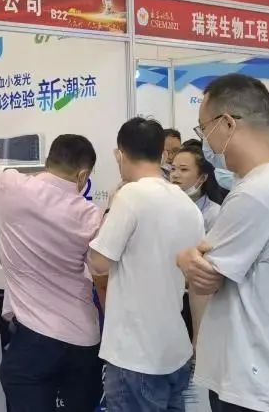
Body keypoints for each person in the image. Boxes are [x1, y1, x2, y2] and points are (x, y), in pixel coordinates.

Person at [178, 74, 269, 411]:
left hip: (255, 383)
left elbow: (205, 277)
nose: (205, 141)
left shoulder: (256, 193)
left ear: (227, 123)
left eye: (204, 128)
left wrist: (185, 257)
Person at [89, 117, 202, 412]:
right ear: (162, 153)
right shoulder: (187, 203)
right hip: (175, 349)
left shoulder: (130, 195)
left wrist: (108, 211)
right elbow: (197, 282)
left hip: (135, 355)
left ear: (120, 154)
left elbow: (98, 263)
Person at [0, 134, 104, 412]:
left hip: (34, 339)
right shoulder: (92, 216)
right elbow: (99, 268)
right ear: (83, 175)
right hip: (83, 338)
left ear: (48, 160)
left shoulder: (10, 187)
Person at [171, 146, 223, 344]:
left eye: (183, 170)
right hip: (169, 293)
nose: (175, 175)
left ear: (202, 178)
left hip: (198, 297)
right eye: (173, 168)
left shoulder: (214, 214)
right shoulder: (167, 208)